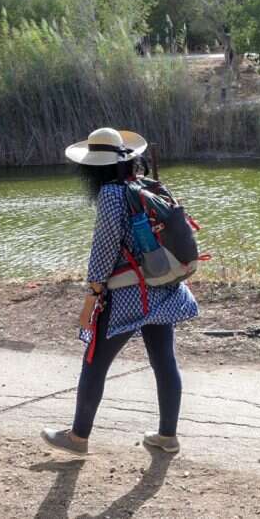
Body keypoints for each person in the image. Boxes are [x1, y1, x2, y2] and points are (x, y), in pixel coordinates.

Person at [42, 127, 198, 456]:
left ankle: (78, 438)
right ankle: (167, 436)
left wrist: (91, 299)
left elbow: (104, 251)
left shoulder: (111, 194)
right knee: (164, 361)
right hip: (162, 288)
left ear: (92, 168)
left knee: (94, 361)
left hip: (129, 296)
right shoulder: (145, 185)